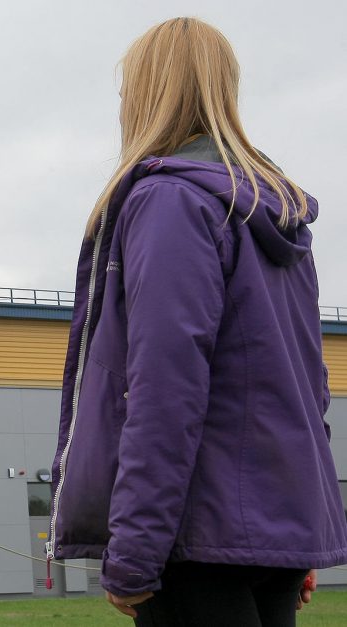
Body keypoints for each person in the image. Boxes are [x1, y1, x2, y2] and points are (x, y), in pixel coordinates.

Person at [45, 17, 347, 626]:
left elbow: (163, 391)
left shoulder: (169, 201)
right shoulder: (279, 216)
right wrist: (292, 528)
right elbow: (309, 388)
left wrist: (131, 555)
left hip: (196, 536)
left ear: (144, 95)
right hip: (264, 534)